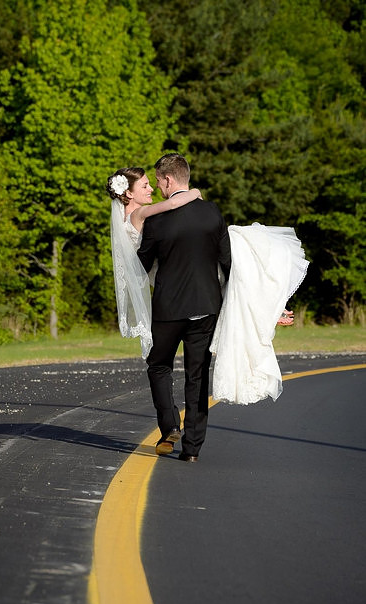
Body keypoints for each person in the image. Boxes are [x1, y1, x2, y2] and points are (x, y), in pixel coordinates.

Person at [108, 153, 308, 462]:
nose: (155, 187)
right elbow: (229, 264)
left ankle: (169, 426)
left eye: (156, 182)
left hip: (168, 308)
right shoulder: (211, 212)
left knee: (159, 365)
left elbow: (141, 266)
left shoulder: (154, 221)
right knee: (197, 375)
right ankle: (192, 449)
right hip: (206, 305)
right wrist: (263, 304)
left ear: (167, 180)